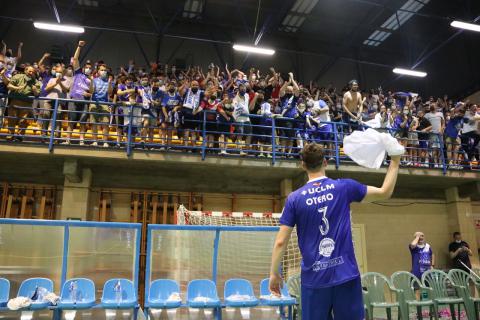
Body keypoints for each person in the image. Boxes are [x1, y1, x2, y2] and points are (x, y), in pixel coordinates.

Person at [269, 143, 401, 320]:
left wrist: (274, 273)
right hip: (346, 275)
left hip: (314, 280)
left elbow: (280, 242)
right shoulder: (344, 187)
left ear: (302, 165)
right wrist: (395, 159)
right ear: (326, 162)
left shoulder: (294, 199)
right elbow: (385, 192)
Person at [6, 66, 41, 141]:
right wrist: (17, 88)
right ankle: (10, 136)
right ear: (25, 71)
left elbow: (37, 94)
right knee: (11, 120)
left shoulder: (35, 81)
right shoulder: (18, 77)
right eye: (29, 71)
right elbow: (9, 85)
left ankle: (20, 136)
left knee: (24, 121)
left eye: (33, 72)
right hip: (15, 101)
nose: (31, 73)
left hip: (27, 103)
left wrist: (34, 90)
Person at [69, 41, 92, 145]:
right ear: (83, 69)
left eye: (90, 68)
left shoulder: (92, 80)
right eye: (86, 67)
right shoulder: (78, 73)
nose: (88, 69)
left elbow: (93, 93)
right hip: (74, 99)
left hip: (84, 102)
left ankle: (81, 140)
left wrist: (90, 95)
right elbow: (75, 59)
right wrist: (79, 46)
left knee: (82, 122)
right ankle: (67, 140)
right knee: (71, 121)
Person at [89, 64, 113, 147]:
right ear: (98, 71)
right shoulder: (94, 80)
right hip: (94, 102)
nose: (103, 72)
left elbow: (110, 93)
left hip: (105, 103)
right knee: (94, 123)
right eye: (102, 70)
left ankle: (105, 142)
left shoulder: (109, 81)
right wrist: (91, 81)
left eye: (105, 70)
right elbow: (91, 91)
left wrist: (109, 83)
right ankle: (95, 141)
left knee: (106, 123)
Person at [424, 103, 445, 168]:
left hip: (439, 134)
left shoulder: (440, 114)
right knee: (431, 149)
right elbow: (423, 123)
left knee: (439, 149)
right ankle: (429, 162)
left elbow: (443, 123)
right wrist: (427, 130)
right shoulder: (427, 115)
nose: (433, 106)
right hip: (431, 134)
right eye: (432, 105)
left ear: (436, 107)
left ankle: (440, 163)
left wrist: (441, 130)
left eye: (434, 105)